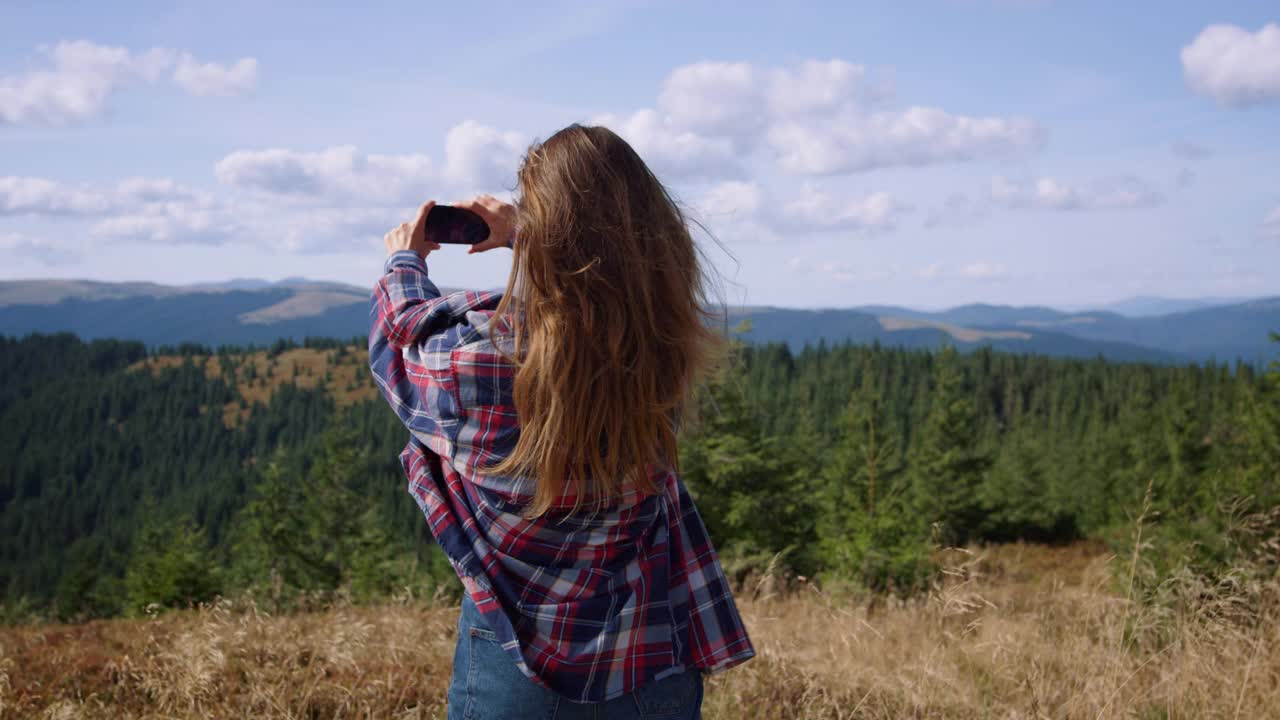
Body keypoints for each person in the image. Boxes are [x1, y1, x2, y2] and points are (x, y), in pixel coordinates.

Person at [368, 124, 755, 719]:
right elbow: (614, 282)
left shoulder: (478, 362)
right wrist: (531, 233)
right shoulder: (664, 343)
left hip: (516, 660)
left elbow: (400, 343)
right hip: (651, 654)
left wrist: (404, 261)